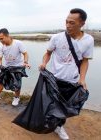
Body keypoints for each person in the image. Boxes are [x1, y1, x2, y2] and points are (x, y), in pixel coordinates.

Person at [39, 8, 94, 140]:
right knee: (50, 103)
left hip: (72, 81)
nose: (68, 25)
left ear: (82, 23)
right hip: (54, 79)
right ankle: (48, 122)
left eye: (72, 23)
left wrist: (82, 79)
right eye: (66, 22)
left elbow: (85, 61)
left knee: (65, 107)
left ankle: (59, 127)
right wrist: (44, 63)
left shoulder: (89, 40)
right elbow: (48, 53)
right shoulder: (57, 38)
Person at [0, 28, 30, 106]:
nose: (1, 41)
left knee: (17, 83)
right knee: (1, 81)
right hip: (7, 67)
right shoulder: (1, 47)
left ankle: (16, 98)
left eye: (2, 38)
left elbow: (25, 54)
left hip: (18, 67)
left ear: (7, 36)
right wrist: (0, 65)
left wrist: (25, 62)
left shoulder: (18, 43)